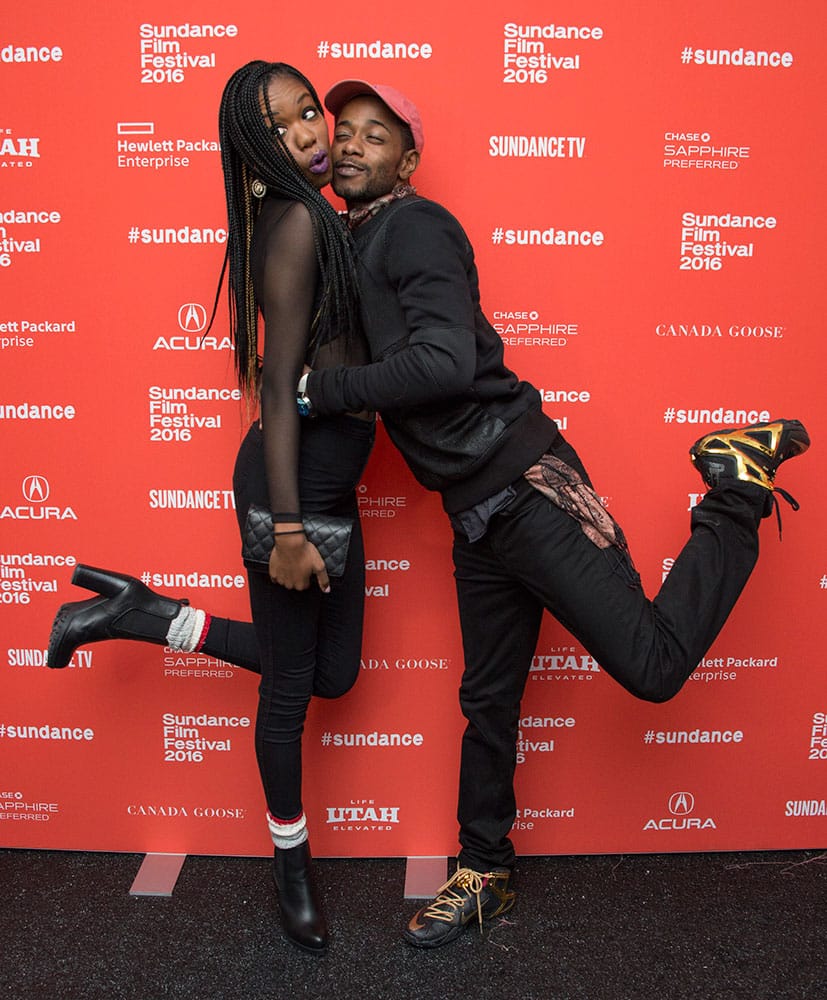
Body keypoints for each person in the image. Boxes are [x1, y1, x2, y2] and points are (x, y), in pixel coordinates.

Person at [291, 79, 810, 949]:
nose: (350, 146)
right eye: (342, 133)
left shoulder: (415, 226)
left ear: (407, 162)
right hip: (474, 512)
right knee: (488, 700)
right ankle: (485, 871)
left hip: (527, 488)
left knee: (649, 665)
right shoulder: (356, 238)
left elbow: (447, 360)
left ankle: (735, 488)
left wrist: (321, 391)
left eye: (375, 137)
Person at [46, 61, 375, 954]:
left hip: (327, 485)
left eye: (312, 112)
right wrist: (290, 526)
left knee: (332, 673)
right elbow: (275, 389)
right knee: (292, 689)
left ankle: (147, 614)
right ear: (253, 144)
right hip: (294, 492)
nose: (311, 132)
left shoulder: (313, 215)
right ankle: (291, 868)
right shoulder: (300, 222)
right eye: (285, 124)